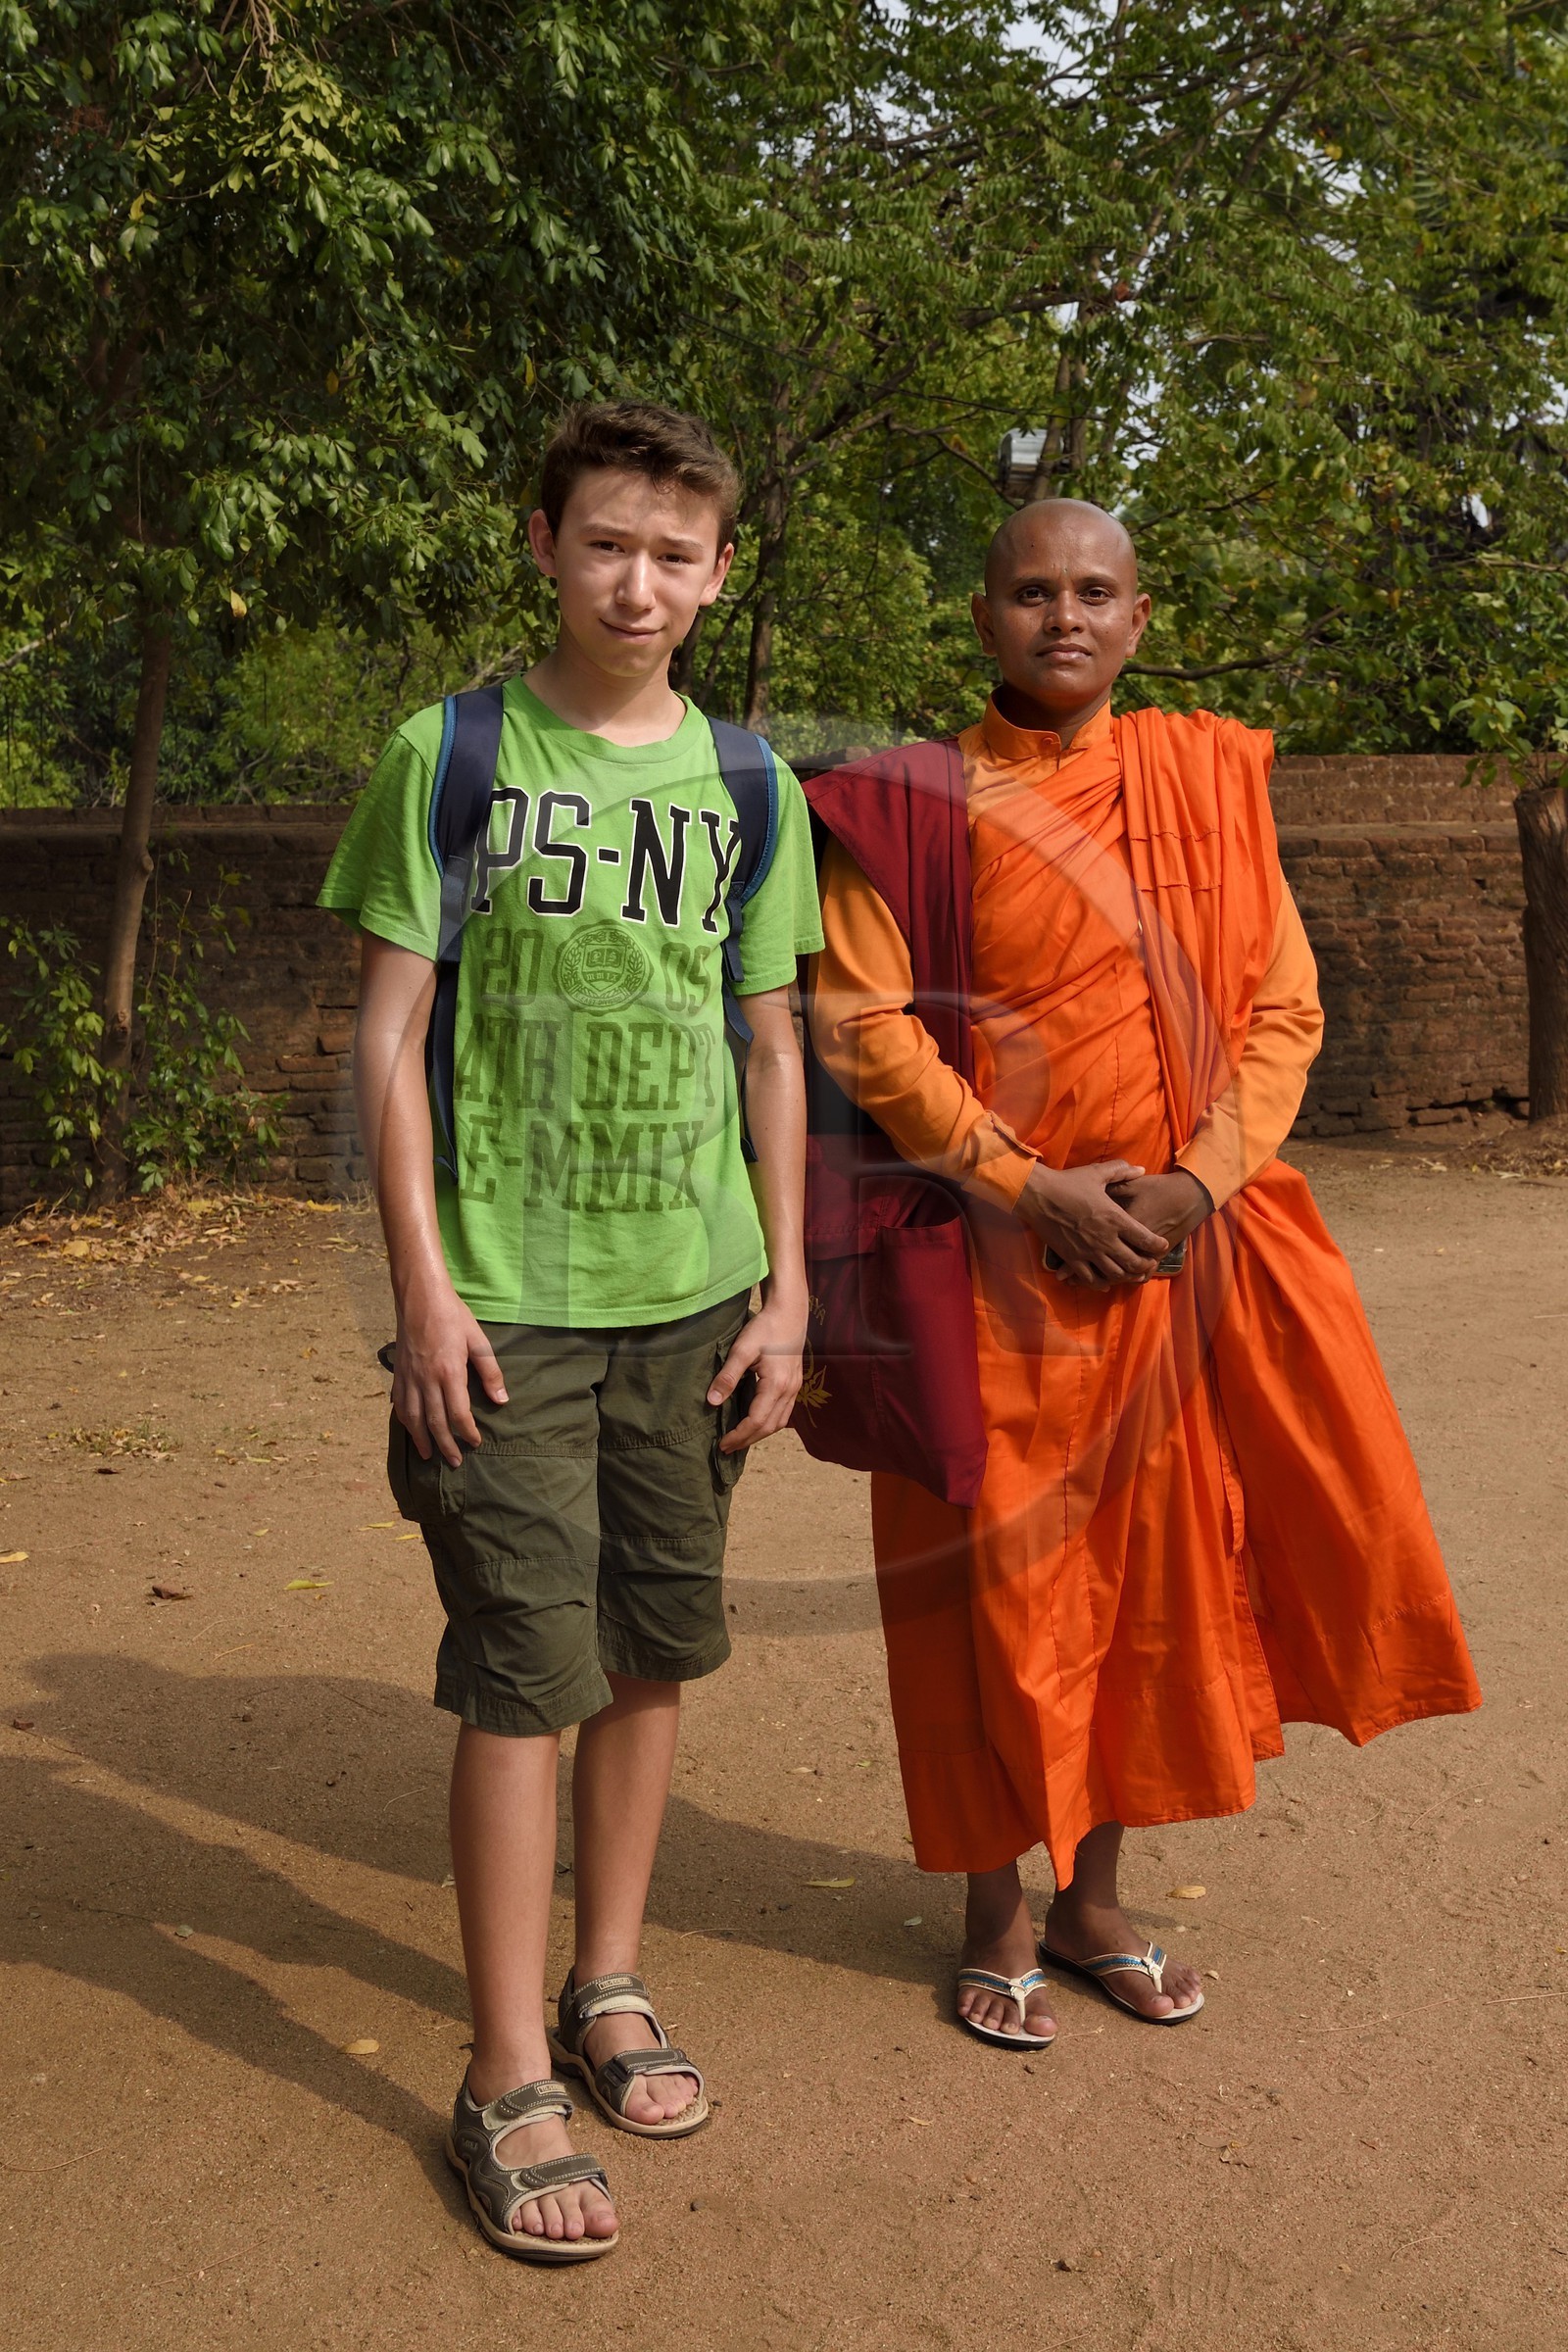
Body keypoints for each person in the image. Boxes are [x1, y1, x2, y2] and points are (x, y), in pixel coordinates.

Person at [805, 498, 1481, 2050]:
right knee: (984, 1591)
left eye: (1094, 591)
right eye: (1031, 591)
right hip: (981, 1267)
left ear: (1139, 618)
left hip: (1168, 1265)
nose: (1063, 616)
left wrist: (1187, 1186)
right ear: (982, 618)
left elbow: (1282, 1010)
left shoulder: (1205, 786)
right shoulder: (911, 805)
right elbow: (861, 1020)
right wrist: (1026, 1183)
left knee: (1149, 1591)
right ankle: (992, 1910)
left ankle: (1095, 1898)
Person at [319, 402, 820, 2258]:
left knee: (654, 1651)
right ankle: (505, 2067)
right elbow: (384, 1039)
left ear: (716, 572)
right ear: (542, 543)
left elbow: (772, 1040)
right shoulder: (447, 754)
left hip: (692, 1301)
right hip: (509, 1305)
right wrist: (423, 1291)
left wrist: (791, 1291)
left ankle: (612, 1981)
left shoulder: (749, 783)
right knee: (525, 1669)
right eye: (606, 542)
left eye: (676, 553)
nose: (640, 582)